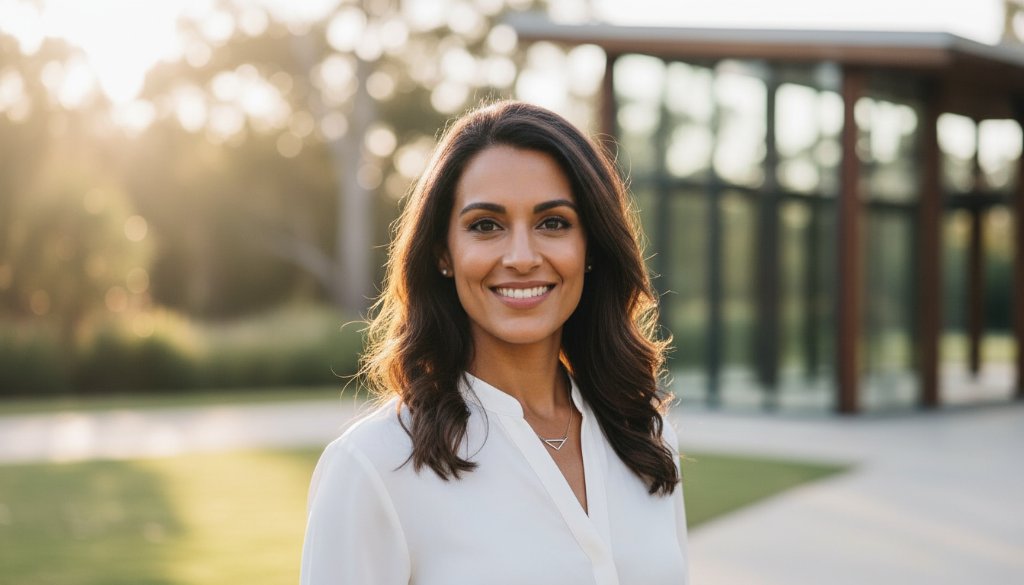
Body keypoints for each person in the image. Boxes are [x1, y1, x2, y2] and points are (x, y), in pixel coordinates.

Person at [300, 101, 688, 585]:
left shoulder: (646, 439)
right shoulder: (374, 465)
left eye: (553, 223)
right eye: (486, 225)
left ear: (590, 248)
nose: (522, 257)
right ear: (444, 252)